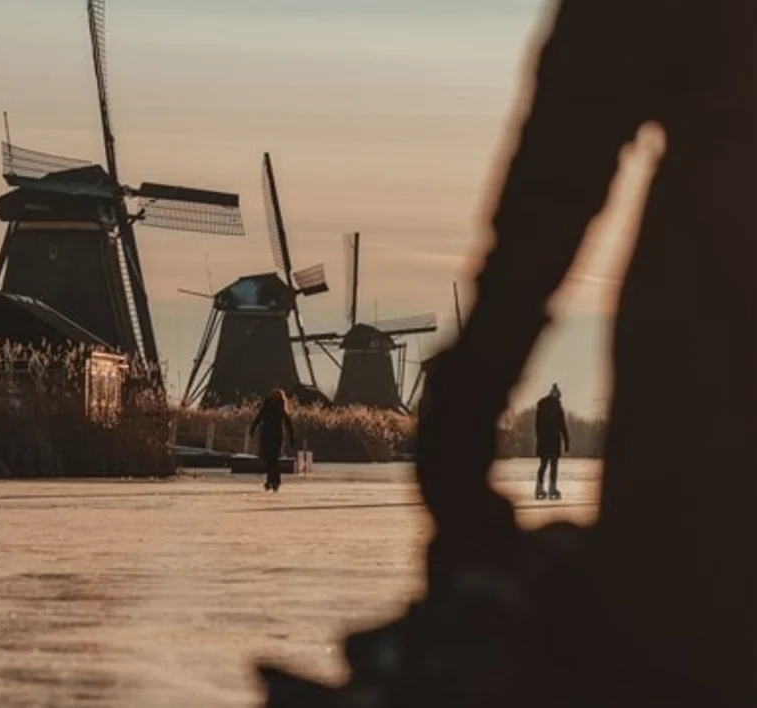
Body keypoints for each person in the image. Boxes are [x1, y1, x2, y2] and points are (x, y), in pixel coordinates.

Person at [257, 1, 754, 706]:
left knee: (675, 607)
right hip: (712, 283)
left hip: (712, 296)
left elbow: (575, 128)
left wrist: (477, 374)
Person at [249, 388, 294, 493]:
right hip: (272, 435)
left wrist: (253, 428)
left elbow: (259, 418)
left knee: (272, 459)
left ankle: (273, 481)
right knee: (271, 459)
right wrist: (253, 428)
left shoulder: (276, 406)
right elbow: (288, 423)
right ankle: (272, 481)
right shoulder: (275, 406)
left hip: (271, 435)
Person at [534, 383, 570, 500]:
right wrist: (566, 441)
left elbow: (537, 426)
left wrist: (539, 438)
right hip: (553, 441)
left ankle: (539, 488)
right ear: (557, 395)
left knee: (543, 465)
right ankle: (552, 488)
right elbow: (562, 426)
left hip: (543, 441)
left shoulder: (541, 406)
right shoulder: (557, 407)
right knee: (553, 465)